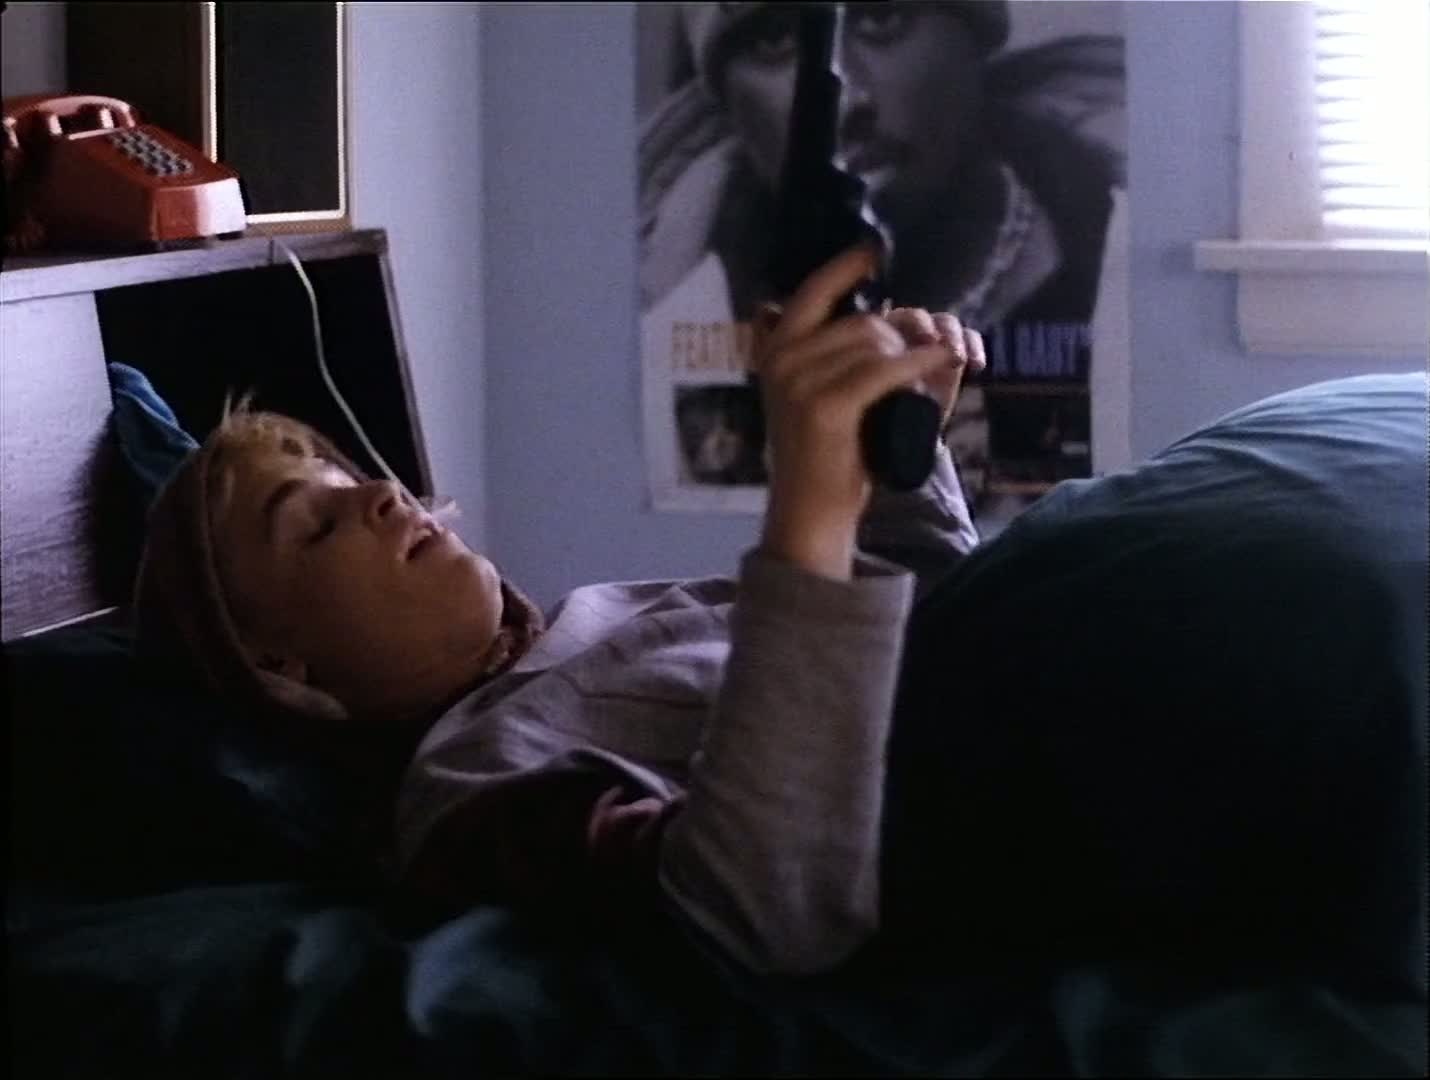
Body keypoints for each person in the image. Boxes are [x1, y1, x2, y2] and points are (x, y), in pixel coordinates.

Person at [134, 245, 987, 975]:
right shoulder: (472, 789)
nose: (386, 494)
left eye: (353, 482)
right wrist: (811, 511)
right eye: (319, 526)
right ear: (281, 671)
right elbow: (760, 906)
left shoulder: (600, 621)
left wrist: (901, 462)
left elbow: (943, 636)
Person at [639, 0, 1126, 524]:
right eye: (774, 40)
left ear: (974, 39)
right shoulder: (669, 315)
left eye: (882, 19)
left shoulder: (1119, 270)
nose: (847, 102)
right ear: (725, 95)